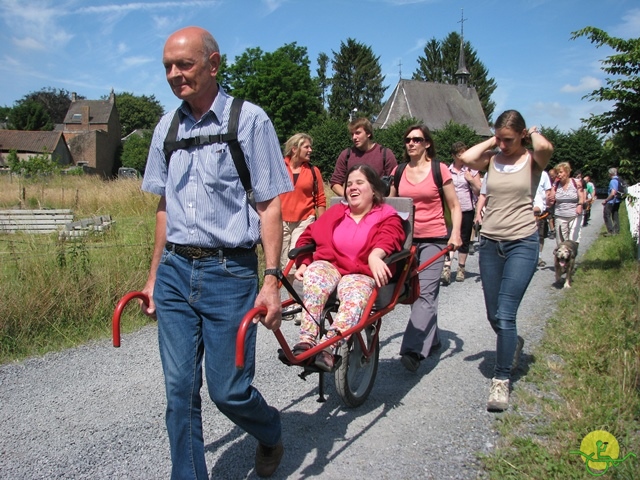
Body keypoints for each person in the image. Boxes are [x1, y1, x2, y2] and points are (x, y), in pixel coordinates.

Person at [140, 27, 291, 479]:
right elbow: (164, 209)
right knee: (179, 391)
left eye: (184, 64)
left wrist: (271, 281)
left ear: (213, 63)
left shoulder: (250, 121)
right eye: (167, 65)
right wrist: (152, 278)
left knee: (229, 391)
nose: (174, 74)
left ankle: (270, 429)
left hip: (230, 274)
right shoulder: (166, 127)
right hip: (174, 272)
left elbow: (269, 206)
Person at [460, 110, 553, 412]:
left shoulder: (532, 162)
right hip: (489, 243)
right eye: (499, 138)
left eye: (508, 139)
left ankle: (501, 380)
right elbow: (467, 158)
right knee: (492, 314)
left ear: (523, 135)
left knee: (506, 313)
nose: (502, 144)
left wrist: (530, 135)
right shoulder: (492, 158)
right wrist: (494, 137)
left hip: (522, 243)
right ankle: (512, 344)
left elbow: (545, 148)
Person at [292, 164, 405, 371]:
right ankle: (306, 341)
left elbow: (391, 237)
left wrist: (375, 254)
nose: (352, 187)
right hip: (332, 265)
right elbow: (308, 234)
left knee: (355, 292)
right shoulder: (336, 212)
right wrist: (305, 261)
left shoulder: (386, 215)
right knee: (315, 274)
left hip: (360, 271)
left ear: (374, 190)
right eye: (349, 184)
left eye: (359, 183)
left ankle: (327, 347)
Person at [389, 124, 462, 372]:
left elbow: (454, 206)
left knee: (426, 293)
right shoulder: (398, 171)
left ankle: (412, 350)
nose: (411, 143)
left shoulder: (438, 169)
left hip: (434, 239)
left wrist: (456, 235)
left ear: (427, 143)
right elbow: (391, 206)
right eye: (408, 139)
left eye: (417, 139)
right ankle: (434, 340)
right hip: (406, 241)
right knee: (412, 294)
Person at [280, 133, 326, 324]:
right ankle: (290, 301)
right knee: (284, 264)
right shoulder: (278, 167)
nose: (310, 150)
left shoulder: (313, 171)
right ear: (295, 149)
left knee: (299, 261)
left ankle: (302, 304)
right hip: (281, 221)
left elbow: (320, 199)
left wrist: (322, 226)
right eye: (306, 147)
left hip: (305, 220)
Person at [441, 141, 481, 284]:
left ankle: (461, 268)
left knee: (463, 238)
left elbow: (480, 191)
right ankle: (447, 267)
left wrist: (471, 180)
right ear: (453, 155)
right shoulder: (447, 170)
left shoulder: (471, 170)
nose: (462, 157)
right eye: (459, 154)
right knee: (449, 236)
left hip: (466, 208)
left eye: (464, 153)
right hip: (450, 209)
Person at [330, 117, 398, 196]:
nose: (354, 137)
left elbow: (394, 183)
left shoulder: (385, 154)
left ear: (368, 133)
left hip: (378, 204)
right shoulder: (346, 155)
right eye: (352, 134)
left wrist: (385, 204)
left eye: (358, 133)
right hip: (354, 205)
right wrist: (348, 197)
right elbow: (335, 183)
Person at [551, 162, 585, 246]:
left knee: (573, 240)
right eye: (557, 173)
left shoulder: (576, 182)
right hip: (560, 216)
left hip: (575, 215)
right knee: (561, 242)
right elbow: (551, 199)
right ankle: (562, 258)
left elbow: (582, 196)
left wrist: (580, 205)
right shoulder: (555, 184)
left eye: (561, 172)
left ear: (567, 172)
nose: (559, 174)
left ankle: (571, 258)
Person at [533, 169, 554, 267]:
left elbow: (548, 191)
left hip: (540, 210)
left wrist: (545, 202)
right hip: (525, 209)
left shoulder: (543, 174)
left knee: (540, 235)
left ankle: (539, 256)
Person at [602, 167, 622, 235]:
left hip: (612, 201)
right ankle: (616, 231)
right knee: (615, 215)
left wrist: (606, 200)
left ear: (610, 174)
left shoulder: (613, 181)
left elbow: (613, 192)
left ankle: (610, 231)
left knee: (606, 214)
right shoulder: (619, 179)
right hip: (618, 200)